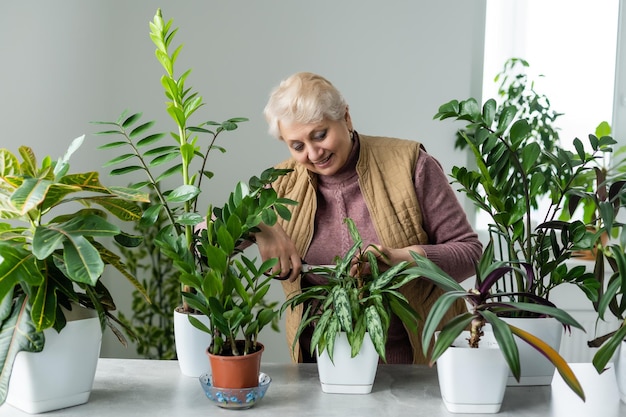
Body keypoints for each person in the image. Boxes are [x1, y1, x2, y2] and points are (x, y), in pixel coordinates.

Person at [254, 71, 482, 364]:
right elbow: (206, 241)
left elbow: (470, 254)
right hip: (321, 369)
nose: (313, 153)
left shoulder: (410, 164)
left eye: (320, 135)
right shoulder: (281, 185)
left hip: (416, 366)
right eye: (297, 145)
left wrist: (401, 259)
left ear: (346, 118)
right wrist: (261, 226)